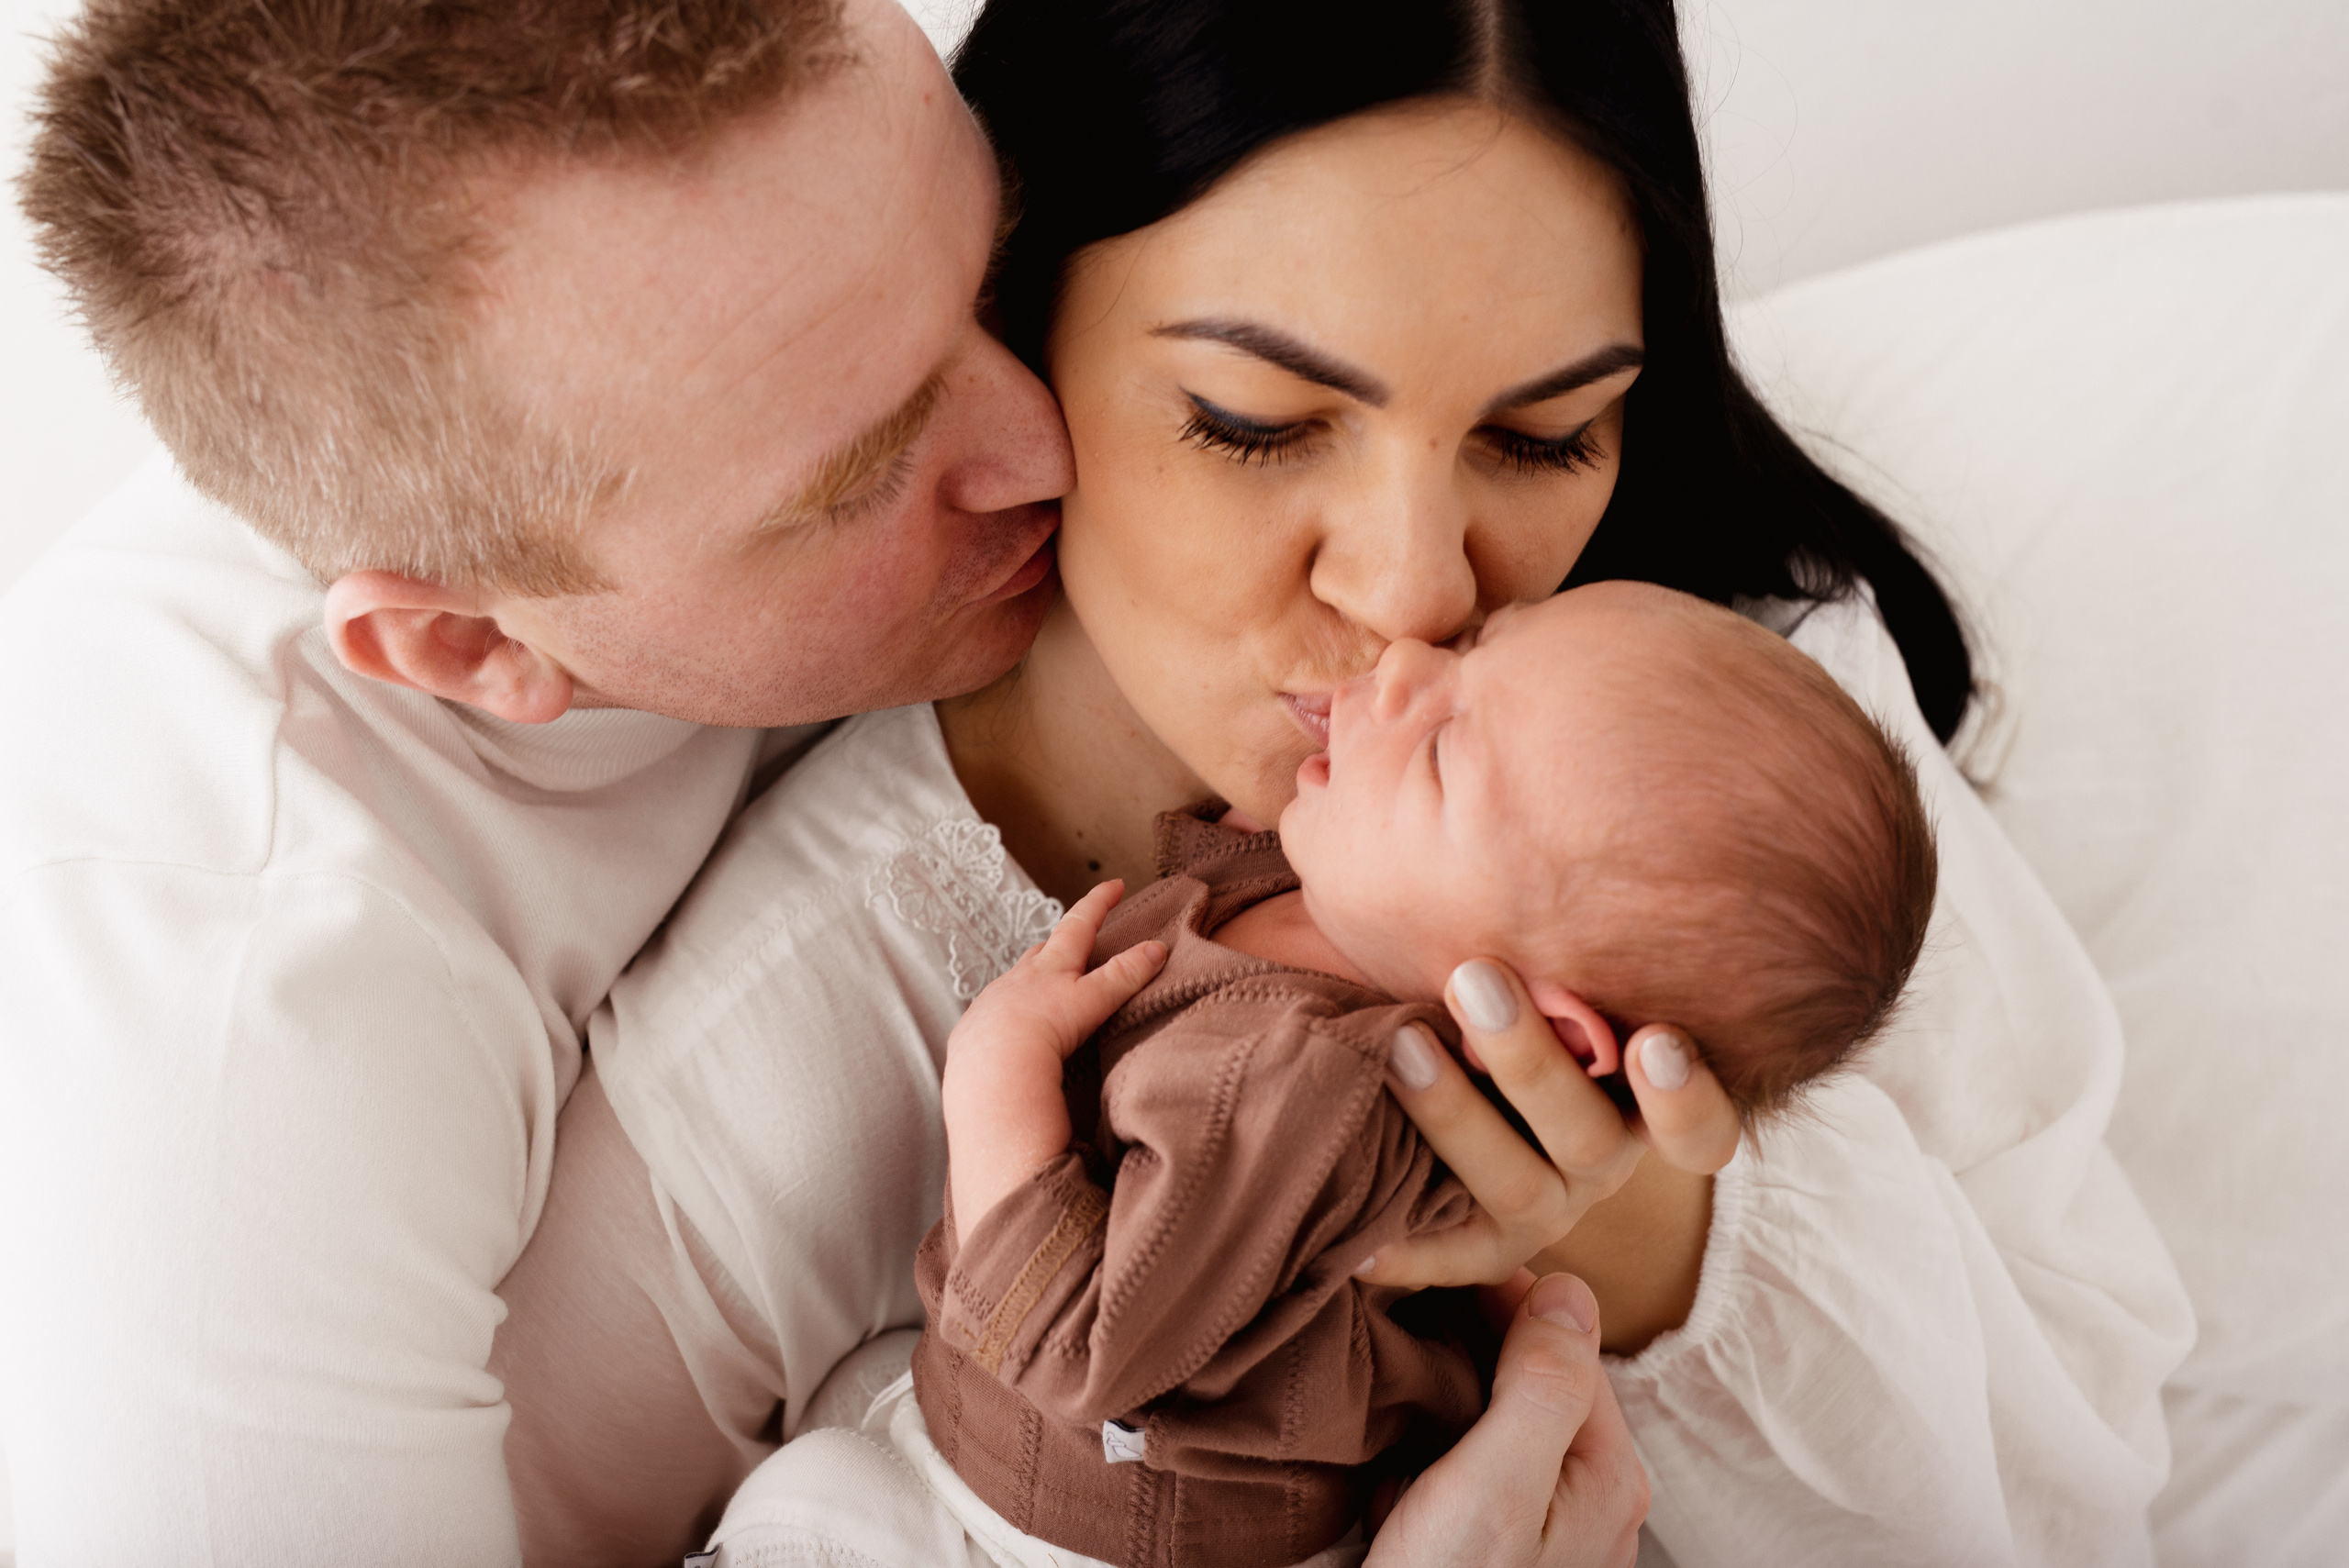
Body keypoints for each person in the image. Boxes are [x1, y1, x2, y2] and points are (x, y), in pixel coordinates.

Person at [517, 2, 2192, 1564]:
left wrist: (1643, 1247)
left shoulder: (1756, 764)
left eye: (1545, 438)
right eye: (1254, 421)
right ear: (1007, 334)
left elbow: (2081, 1495)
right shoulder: (786, 1043)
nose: (1414, 593)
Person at [0, 1, 1661, 1563]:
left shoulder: (743, 284)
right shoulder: (221, 1093)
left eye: (991, 274)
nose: (1051, 448)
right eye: (867, 471)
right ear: (472, 645)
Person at [911, 583, 1939, 1568]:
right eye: (1477, 645)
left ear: (1536, 1023)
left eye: (1444, 751)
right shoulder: (1347, 900)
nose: (1403, 659)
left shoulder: (1309, 1087)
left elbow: (1088, 1350)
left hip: (1066, 1526)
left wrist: (995, 1072)